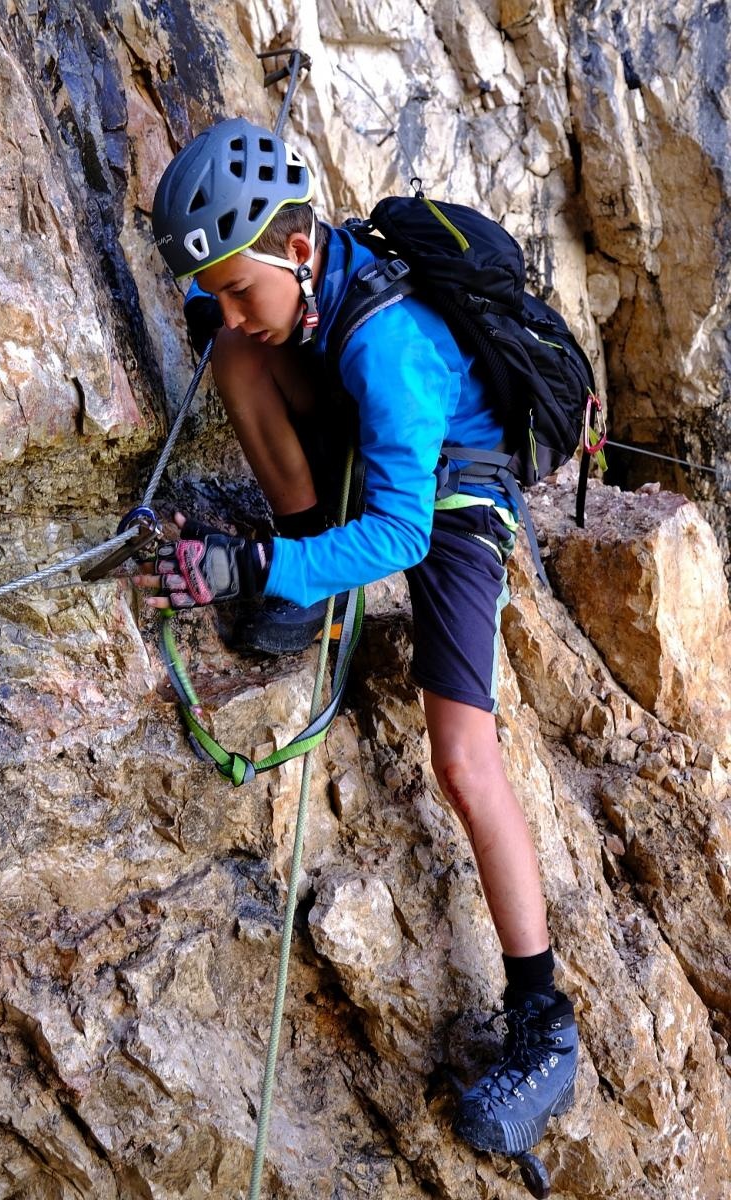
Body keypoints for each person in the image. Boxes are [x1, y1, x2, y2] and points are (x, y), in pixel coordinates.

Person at [140, 116, 578, 1157]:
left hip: (455, 496)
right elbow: (227, 309)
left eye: (247, 286)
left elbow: (400, 530)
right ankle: (305, 570)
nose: (235, 306)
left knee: (462, 760)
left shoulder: (386, 344)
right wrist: (224, 306)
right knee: (238, 359)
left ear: (299, 252)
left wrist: (247, 567)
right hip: (384, 450)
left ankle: (543, 1019)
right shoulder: (285, 290)